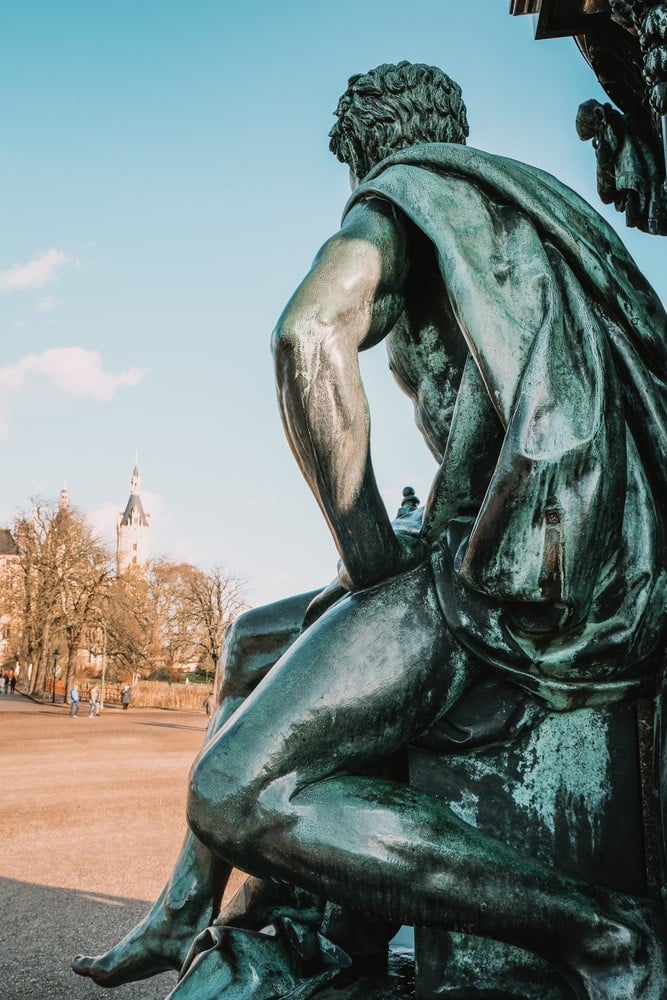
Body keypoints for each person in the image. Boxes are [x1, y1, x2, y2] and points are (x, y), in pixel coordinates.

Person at [74, 62, 666, 999]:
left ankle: (599, 931)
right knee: (243, 637)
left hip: (491, 577)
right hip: (564, 554)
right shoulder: (514, 216)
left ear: (364, 148)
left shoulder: (405, 191)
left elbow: (306, 334)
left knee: (236, 792)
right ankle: (184, 906)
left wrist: (367, 557)